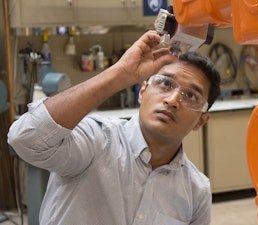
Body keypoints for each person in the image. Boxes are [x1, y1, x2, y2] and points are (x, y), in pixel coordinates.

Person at [8, 30, 221, 225]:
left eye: (191, 96)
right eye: (165, 84)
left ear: (200, 121)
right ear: (142, 92)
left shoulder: (196, 190)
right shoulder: (95, 141)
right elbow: (25, 139)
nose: (173, 100)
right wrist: (120, 74)